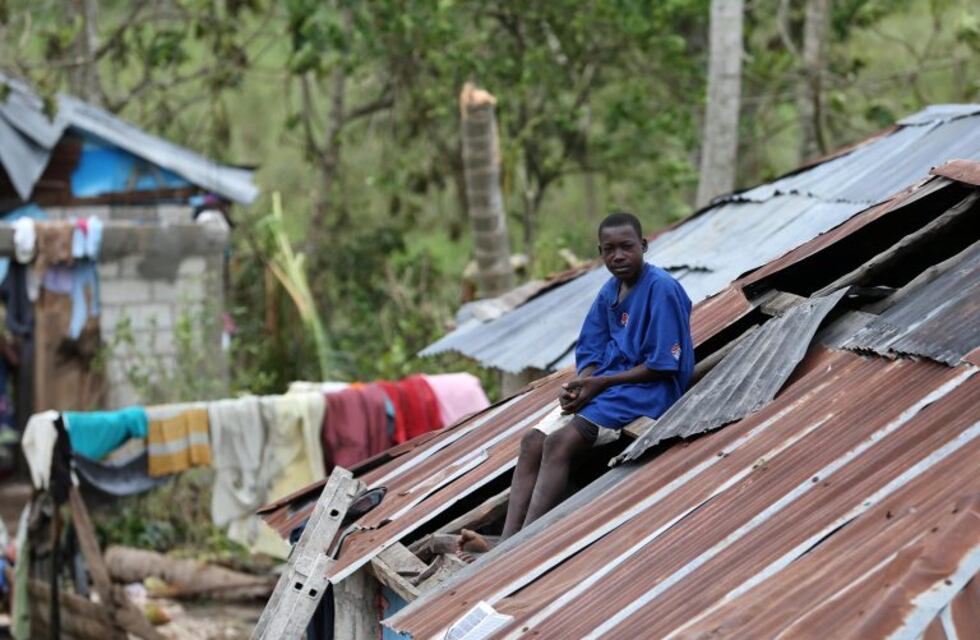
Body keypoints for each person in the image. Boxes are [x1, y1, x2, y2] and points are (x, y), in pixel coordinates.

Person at [458, 211, 694, 558]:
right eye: (609, 249)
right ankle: (506, 541)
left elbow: (662, 364)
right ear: (600, 253)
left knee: (560, 442)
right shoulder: (609, 292)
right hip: (607, 387)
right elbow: (590, 351)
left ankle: (518, 549)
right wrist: (581, 385)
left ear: (643, 246)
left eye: (627, 247)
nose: (618, 256)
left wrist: (598, 384)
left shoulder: (662, 289)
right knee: (532, 441)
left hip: (648, 390)